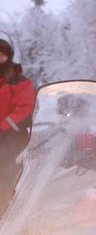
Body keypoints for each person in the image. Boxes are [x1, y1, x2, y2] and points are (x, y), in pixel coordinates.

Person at [0, 30, 36, 216]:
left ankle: (3, 211)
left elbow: (25, 108)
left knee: (4, 169)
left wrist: (3, 126)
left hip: (12, 135)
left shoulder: (19, 82)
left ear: (8, 56)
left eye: (1, 54)